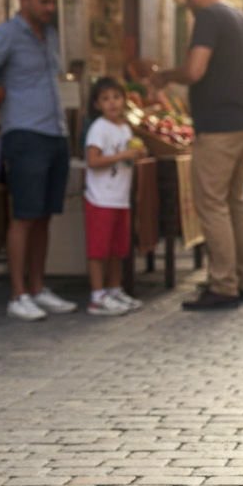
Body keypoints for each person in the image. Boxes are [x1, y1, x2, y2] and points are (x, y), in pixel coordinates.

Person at [153, 0, 243, 310]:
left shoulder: (208, 17)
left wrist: (165, 75)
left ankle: (223, 284)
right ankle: (240, 280)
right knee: (234, 204)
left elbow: (195, 70)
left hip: (218, 127)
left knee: (212, 204)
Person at [0, 0, 78, 321]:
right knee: (24, 216)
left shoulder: (50, 36)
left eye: (53, 1)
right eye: (43, 1)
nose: (49, 7)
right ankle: (17, 294)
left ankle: (39, 288)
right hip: (25, 134)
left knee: (43, 216)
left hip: (54, 134)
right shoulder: (7, 34)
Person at [82, 77, 145, 315]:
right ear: (97, 104)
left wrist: (135, 154)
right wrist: (121, 156)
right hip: (101, 198)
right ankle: (97, 296)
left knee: (118, 249)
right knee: (99, 250)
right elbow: (93, 160)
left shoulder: (125, 127)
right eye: (106, 99)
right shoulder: (99, 128)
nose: (112, 103)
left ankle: (114, 289)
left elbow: (126, 155)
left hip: (120, 198)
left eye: (116, 97)